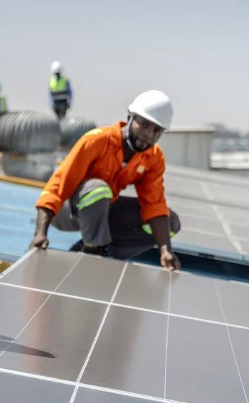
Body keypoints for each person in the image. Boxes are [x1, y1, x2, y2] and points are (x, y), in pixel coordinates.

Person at [29, 90, 181, 271]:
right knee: (98, 189)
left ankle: (99, 250)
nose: (149, 134)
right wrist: (40, 233)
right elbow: (57, 187)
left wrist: (165, 250)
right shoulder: (97, 140)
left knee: (170, 222)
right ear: (130, 117)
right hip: (67, 210)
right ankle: (95, 248)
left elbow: (154, 204)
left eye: (156, 130)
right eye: (144, 125)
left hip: (103, 208)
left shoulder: (153, 157)